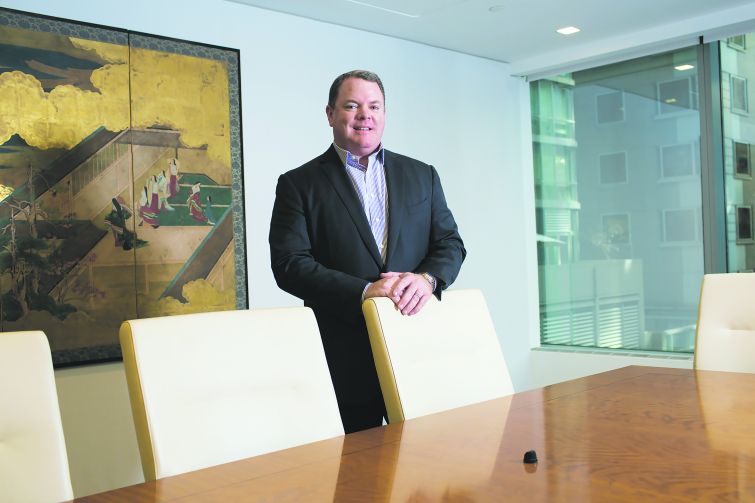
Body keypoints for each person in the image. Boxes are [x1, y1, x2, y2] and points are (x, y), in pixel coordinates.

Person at [269, 70, 466, 433]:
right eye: (352, 105)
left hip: (418, 345)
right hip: (343, 356)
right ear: (330, 114)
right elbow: (288, 264)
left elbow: (450, 244)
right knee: (356, 462)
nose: (365, 115)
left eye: (374, 106)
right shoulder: (298, 184)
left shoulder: (422, 175)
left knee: (431, 452)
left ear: (385, 114)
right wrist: (363, 291)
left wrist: (426, 279)